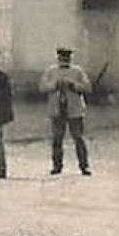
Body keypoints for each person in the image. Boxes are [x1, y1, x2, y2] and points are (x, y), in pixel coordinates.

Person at [40, 47, 93, 176]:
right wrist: (55, 85)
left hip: (74, 110)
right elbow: (42, 87)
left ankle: (84, 166)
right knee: (57, 138)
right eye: (62, 58)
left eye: (67, 58)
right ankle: (57, 166)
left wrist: (74, 85)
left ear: (70, 59)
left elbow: (87, 87)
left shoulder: (77, 71)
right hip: (57, 109)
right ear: (58, 58)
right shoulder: (51, 71)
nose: (64, 60)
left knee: (78, 138)